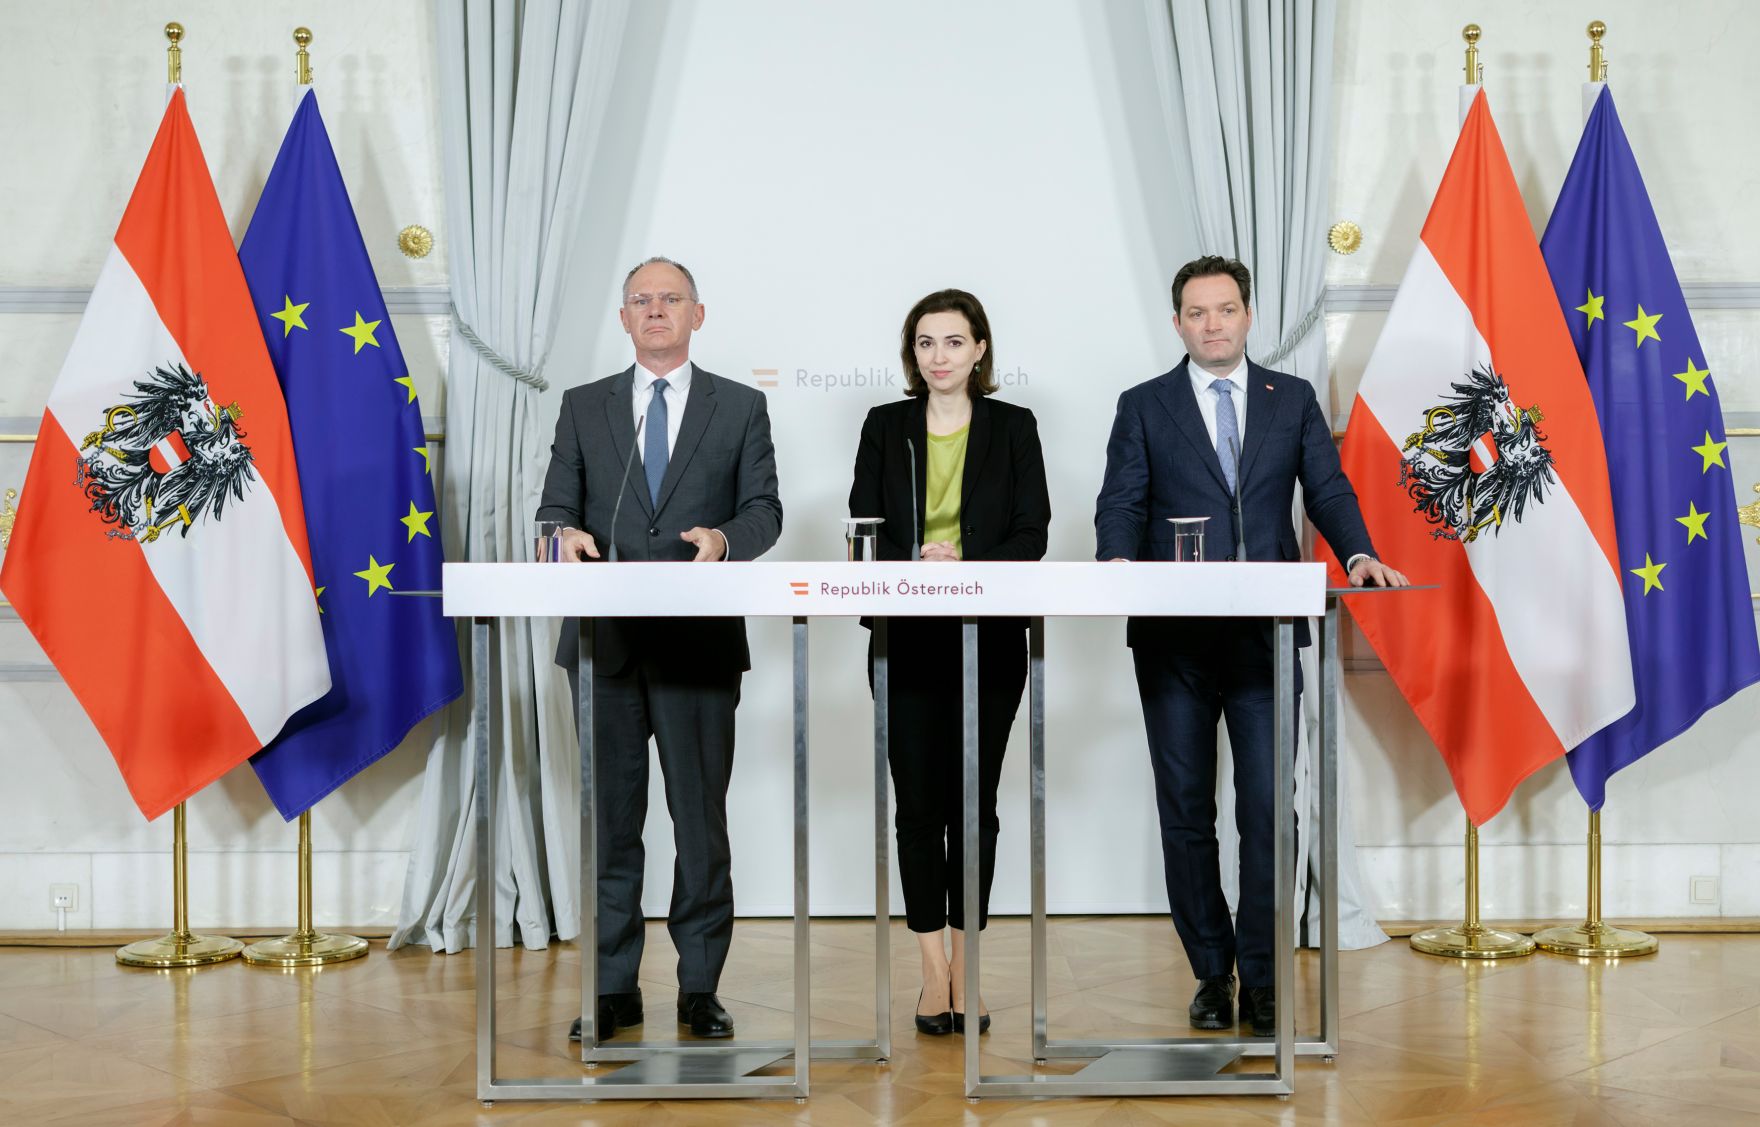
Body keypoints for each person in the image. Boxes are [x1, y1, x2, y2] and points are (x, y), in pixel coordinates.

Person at [1094, 255, 1406, 1037]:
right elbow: (1121, 500)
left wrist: (1359, 551)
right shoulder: (1143, 404)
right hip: (1173, 644)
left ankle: (1264, 977)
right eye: (1196, 313)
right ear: (1177, 324)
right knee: (1186, 810)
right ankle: (1211, 972)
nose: (1212, 324)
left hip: (1266, 638)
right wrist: (1115, 563)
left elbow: (1326, 488)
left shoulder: (1290, 399)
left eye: (1225, 309)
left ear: (1248, 315)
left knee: (1271, 810)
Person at [538, 256, 783, 1041]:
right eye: (640, 300)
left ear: (697, 315)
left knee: (699, 823)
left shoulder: (739, 407)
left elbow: (765, 510)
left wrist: (723, 536)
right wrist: (563, 534)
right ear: (623, 319)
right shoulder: (583, 407)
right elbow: (552, 509)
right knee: (611, 823)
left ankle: (699, 986)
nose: (655, 310)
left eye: (669, 299)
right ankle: (612, 987)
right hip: (605, 649)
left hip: (698, 650)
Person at [848, 288, 1051, 1035]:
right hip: (904, 637)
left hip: (989, 634)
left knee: (976, 808)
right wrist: (914, 559)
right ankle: (932, 974)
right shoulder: (884, 426)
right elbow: (861, 522)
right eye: (926, 343)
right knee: (918, 807)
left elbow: (1033, 532)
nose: (939, 356)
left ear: (980, 350)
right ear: (914, 354)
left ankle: (971, 967)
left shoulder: (1014, 427)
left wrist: (963, 557)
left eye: (953, 342)